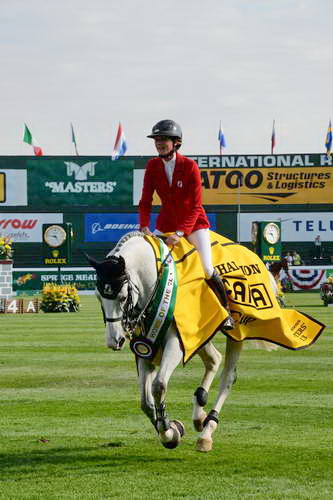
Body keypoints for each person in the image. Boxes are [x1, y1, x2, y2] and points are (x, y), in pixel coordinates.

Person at [139, 119, 234, 329]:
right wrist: (144, 226)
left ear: (176, 142)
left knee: (207, 268)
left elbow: (196, 205)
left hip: (194, 223)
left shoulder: (190, 166)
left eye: (163, 139)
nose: (159, 143)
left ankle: (226, 313)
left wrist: (181, 233)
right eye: (156, 140)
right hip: (165, 223)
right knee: (151, 263)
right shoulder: (152, 165)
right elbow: (145, 200)